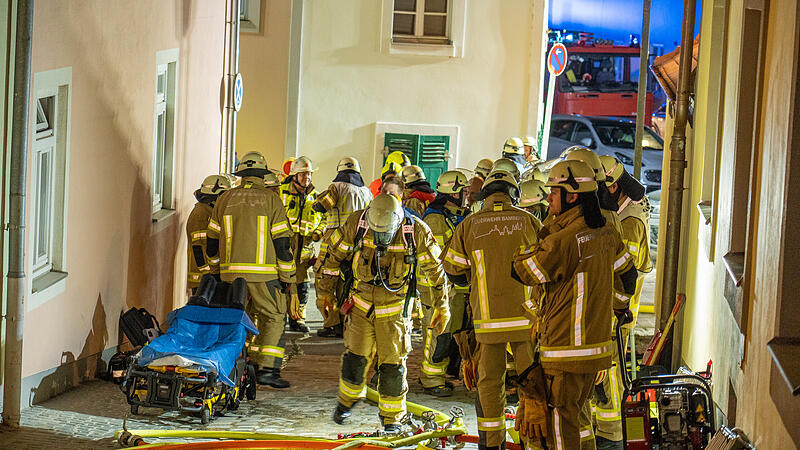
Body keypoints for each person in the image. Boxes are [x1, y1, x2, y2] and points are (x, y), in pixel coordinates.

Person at [511, 160, 638, 449]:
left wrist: (525, 246)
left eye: (554, 191)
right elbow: (627, 276)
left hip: (564, 354)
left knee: (560, 426)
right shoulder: (606, 232)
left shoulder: (563, 239)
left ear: (572, 195)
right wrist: (618, 306)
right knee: (579, 419)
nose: (549, 197)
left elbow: (523, 271)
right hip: (594, 353)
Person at [317, 194, 449, 431]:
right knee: (355, 359)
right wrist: (324, 292)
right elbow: (331, 258)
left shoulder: (415, 231)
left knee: (392, 366)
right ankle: (346, 403)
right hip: (361, 305)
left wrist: (442, 305)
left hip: (395, 311)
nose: (380, 239)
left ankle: (392, 420)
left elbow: (436, 270)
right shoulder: (357, 224)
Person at [443, 170, 541, 450]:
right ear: (514, 194)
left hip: (487, 324)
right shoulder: (529, 221)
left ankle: (492, 444)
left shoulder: (469, 225)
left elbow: (453, 270)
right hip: (526, 322)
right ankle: (531, 442)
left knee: (489, 384)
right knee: (531, 385)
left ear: (485, 195)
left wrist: (476, 283)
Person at [206, 151, 297, 388]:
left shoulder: (224, 199)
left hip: (229, 276)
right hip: (264, 276)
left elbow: (212, 240)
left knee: (234, 320)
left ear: (242, 174)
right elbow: (283, 244)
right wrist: (288, 277)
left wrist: (217, 271)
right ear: (262, 174)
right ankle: (267, 369)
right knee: (274, 317)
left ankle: (232, 366)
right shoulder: (271, 200)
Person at [592, 155, 653, 449]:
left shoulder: (629, 224)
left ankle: (611, 431)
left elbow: (621, 275)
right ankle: (600, 424)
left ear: (613, 188)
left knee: (610, 367)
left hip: (618, 308)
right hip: (611, 305)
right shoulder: (622, 213)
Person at [418, 170, 471, 397]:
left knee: (446, 334)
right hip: (435, 288)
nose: (468, 195)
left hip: (452, 288)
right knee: (437, 335)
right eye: (464, 191)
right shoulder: (435, 219)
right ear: (453, 193)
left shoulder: (457, 215)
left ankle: (437, 375)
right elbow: (437, 259)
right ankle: (431, 379)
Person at [312, 157, 373, 338]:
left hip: (335, 241)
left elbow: (320, 207)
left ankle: (332, 324)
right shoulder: (366, 192)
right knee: (348, 284)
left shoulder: (336, 187)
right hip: (357, 244)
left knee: (325, 282)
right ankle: (347, 324)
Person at [279, 156, 325, 333]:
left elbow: (325, 219)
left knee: (303, 287)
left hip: (304, 249)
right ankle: (280, 318)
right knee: (282, 284)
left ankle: (298, 319)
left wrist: (319, 232)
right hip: (284, 247)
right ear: (295, 175)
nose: (307, 178)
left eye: (309, 174)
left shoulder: (315, 195)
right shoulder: (281, 192)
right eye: (303, 174)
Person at [186, 174, 230, 292]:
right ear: (217, 196)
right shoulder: (201, 214)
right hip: (204, 280)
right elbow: (199, 247)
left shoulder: (210, 211)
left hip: (208, 278)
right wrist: (211, 274)